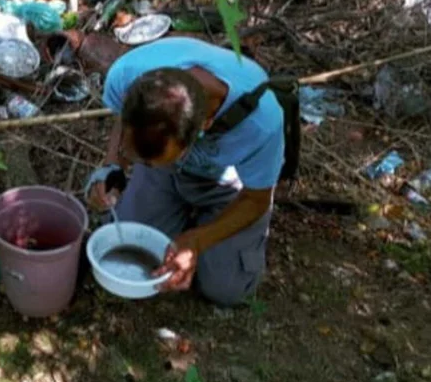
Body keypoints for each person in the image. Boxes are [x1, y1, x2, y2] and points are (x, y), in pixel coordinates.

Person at [86, 37, 284, 305]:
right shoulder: (126, 74)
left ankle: (200, 221)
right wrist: (113, 166)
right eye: (142, 160)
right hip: (166, 172)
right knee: (124, 241)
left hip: (230, 185)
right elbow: (123, 120)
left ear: (204, 127)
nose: (140, 164)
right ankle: (167, 189)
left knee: (225, 288)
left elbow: (256, 199)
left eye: (150, 161)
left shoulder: (260, 123)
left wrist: (197, 240)